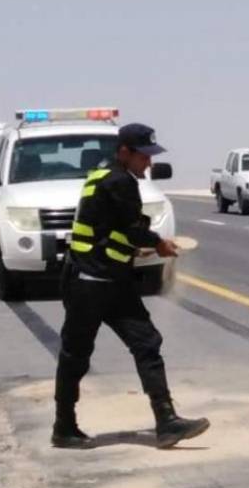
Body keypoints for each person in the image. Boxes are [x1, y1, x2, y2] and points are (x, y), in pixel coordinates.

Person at [52, 123, 210, 449]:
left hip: (110, 280)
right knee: (76, 354)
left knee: (146, 342)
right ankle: (64, 427)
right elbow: (132, 228)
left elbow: (108, 230)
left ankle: (167, 421)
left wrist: (138, 248)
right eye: (143, 156)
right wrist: (158, 243)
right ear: (124, 152)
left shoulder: (102, 176)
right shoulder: (119, 181)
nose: (148, 163)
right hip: (89, 283)